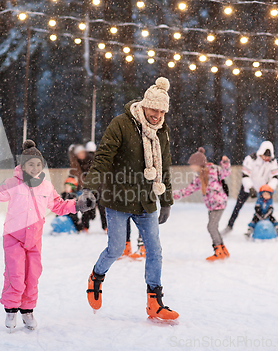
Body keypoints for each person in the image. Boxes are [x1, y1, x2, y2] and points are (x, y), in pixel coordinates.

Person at [0, 140, 95, 331]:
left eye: (38, 164)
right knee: (16, 275)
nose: (34, 168)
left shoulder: (46, 187)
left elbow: (59, 205)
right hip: (14, 237)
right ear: (23, 165)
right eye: (30, 164)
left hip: (34, 239)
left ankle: (27, 310)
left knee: (33, 276)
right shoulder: (13, 183)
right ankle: (11, 310)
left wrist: (77, 205)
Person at [81, 77, 179, 320]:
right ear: (145, 105)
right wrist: (90, 189)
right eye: (154, 109)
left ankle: (155, 303)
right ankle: (97, 276)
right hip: (118, 198)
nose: (157, 115)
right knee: (115, 249)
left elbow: (164, 166)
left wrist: (165, 200)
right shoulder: (122, 124)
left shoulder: (162, 132)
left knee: (155, 251)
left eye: (162, 111)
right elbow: (103, 158)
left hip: (146, 201)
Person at [173, 148, 231, 261]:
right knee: (213, 227)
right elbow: (189, 190)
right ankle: (223, 249)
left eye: (192, 164)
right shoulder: (198, 177)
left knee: (211, 227)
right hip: (211, 206)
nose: (191, 167)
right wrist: (174, 195)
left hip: (219, 203)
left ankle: (218, 250)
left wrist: (225, 163)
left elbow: (226, 172)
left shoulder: (214, 170)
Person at [222, 141, 278, 235]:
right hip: (248, 187)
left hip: (264, 189)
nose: (266, 158)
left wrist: (269, 188)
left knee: (268, 208)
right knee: (238, 207)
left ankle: (271, 228)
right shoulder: (250, 159)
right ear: (261, 152)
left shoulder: (273, 162)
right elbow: (245, 176)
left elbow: (275, 177)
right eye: (265, 156)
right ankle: (229, 226)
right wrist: (250, 188)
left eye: (268, 156)